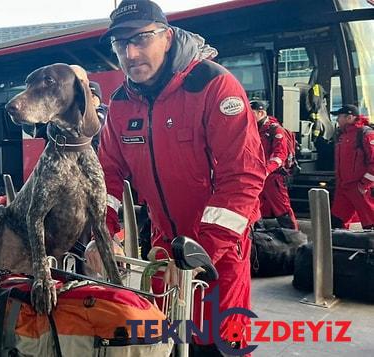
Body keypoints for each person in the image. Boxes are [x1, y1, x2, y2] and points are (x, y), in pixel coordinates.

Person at [97, 1, 265, 355]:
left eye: (141, 39)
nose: (129, 53)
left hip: (219, 254)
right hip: (162, 252)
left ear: (168, 38)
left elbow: (243, 177)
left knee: (221, 344)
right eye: (119, 44)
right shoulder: (121, 103)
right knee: (168, 344)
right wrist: (102, 234)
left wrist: (200, 252)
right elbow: (107, 176)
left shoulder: (213, 85)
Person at [250, 100, 298, 229]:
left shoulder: (275, 130)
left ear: (261, 112)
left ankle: (294, 240)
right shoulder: (253, 130)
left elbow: (280, 155)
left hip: (273, 177)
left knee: (282, 209)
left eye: (251, 113)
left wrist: (266, 170)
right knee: (254, 208)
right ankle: (258, 239)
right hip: (258, 176)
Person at [330, 104, 374, 229]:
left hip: (360, 189)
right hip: (344, 188)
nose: (337, 120)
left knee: (370, 223)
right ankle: (339, 247)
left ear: (349, 117)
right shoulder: (344, 135)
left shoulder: (365, 134)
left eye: (339, 116)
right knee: (336, 222)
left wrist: (364, 184)